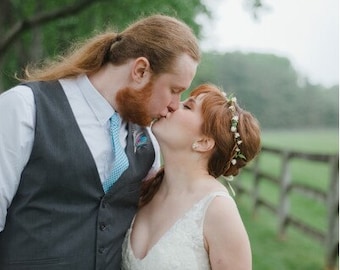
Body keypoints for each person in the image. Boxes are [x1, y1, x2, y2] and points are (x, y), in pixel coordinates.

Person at [0, 14, 200, 270]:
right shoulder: (24, 107)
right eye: (174, 90)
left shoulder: (149, 143)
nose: (174, 105)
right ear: (140, 70)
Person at [121, 83, 261, 270]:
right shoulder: (146, 187)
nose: (171, 105)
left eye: (187, 107)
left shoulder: (218, 210)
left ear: (203, 142)